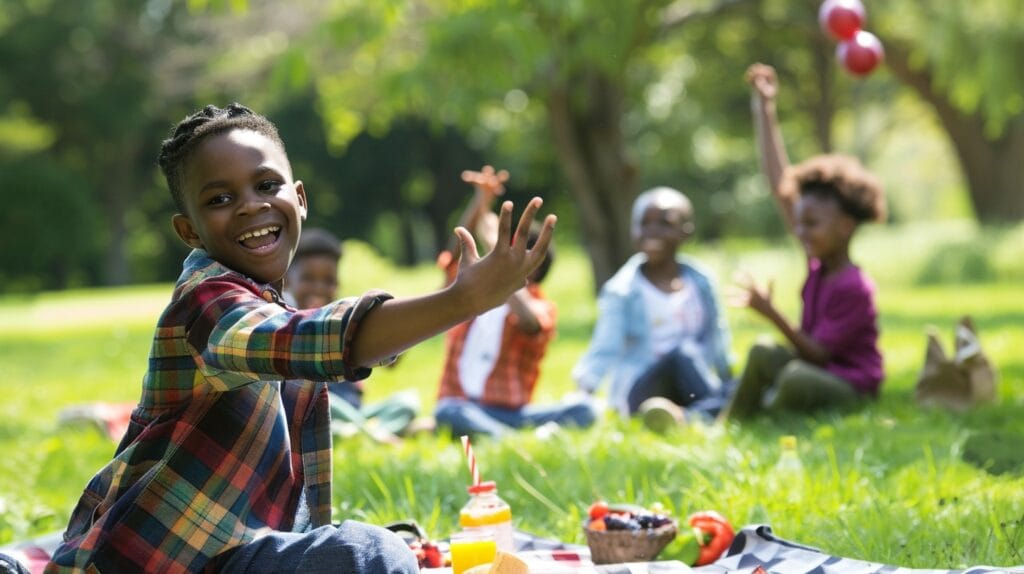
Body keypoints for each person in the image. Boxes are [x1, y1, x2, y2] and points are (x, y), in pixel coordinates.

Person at [45, 103, 555, 573]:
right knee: (369, 554)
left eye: (267, 185)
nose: (249, 206)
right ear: (190, 231)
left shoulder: (264, 299)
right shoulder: (205, 303)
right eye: (220, 199)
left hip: (230, 553)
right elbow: (304, 338)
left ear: (300, 199)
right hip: (156, 562)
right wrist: (460, 302)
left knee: (364, 548)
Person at [720, 63, 887, 420]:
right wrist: (765, 109)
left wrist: (771, 313)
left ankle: (769, 416)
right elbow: (780, 182)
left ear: (844, 227)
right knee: (763, 351)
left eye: (811, 224)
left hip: (849, 387)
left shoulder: (853, 286)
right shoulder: (818, 264)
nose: (800, 231)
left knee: (795, 376)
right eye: (799, 223)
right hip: (817, 371)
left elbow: (818, 356)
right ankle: (728, 425)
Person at [433, 166, 597, 438]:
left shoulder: (540, 306)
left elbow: (530, 322)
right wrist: (481, 201)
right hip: (463, 407)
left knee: (584, 410)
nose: (497, 257)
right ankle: (518, 439)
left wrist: (504, 272)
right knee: (446, 413)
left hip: (513, 413)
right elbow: (459, 249)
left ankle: (505, 435)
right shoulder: (474, 289)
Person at [572, 186, 734, 427]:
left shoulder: (701, 282)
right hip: (643, 389)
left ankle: (686, 417)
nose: (652, 231)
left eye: (664, 223)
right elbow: (605, 346)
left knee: (733, 382)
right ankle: (722, 408)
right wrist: (584, 392)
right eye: (644, 223)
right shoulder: (623, 289)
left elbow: (716, 336)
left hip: (690, 387)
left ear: (685, 231)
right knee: (684, 353)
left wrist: (727, 377)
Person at [283, 227, 420, 444]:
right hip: (318, 413)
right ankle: (372, 434)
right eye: (308, 278)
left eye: (328, 281)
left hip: (354, 411)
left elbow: (389, 360)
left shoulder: (343, 319)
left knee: (407, 402)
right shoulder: (285, 322)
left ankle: (361, 432)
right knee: (321, 408)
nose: (318, 288)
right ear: (287, 280)